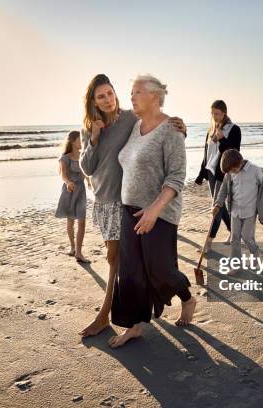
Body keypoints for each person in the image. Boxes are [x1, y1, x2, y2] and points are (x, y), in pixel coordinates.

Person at [78, 74, 187, 337]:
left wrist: (181, 126)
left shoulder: (130, 118)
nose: (108, 100)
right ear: (93, 101)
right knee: (122, 261)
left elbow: (156, 125)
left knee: (118, 261)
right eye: (100, 96)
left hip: (125, 202)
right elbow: (87, 168)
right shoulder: (89, 128)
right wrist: (93, 138)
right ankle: (135, 316)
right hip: (104, 202)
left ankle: (106, 316)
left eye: (110, 93)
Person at [109, 75, 195, 348]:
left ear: (154, 96)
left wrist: (154, 211)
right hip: (128, 209)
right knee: (131, 270)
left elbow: (177, 177)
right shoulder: (134, 127)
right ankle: (133, 327)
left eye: (136, 92)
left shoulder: (170, 129)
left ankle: (188, 298)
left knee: (161, 269)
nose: (131, 97)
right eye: (131, 92)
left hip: (159, 212)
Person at [212, 149, 263, 274]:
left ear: (240, 162)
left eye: (234, 169)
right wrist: (218, 204)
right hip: (235, 211)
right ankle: (236, 265)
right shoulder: (230, 173)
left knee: (247, 236)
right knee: (234, 239)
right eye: (230, 171)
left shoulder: (255, 170)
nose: (232, 172)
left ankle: (255, 253)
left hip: (250, 211)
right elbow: (223, 189)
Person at [195, 100, 241, 252]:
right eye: (212, 113)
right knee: (220, 207)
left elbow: (234, 154)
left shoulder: (234, 129)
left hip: (223, 173)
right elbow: (207, 153)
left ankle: (208, 243)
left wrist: (222, 139)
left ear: (224, 113)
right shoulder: (211, 130)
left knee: (216, 206)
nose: (214, 117)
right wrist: (201, 174)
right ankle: (234, 232)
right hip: (211, 172)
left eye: (217, 114)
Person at [55, 130, 90, 263]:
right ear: (73, 142)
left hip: (81, 191)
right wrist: (68, 182)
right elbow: (63, 175)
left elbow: (86, 174)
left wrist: (90, 184)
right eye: (80, 139)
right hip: (69, 192)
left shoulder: (83, 156)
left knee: (82, 221)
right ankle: (72, 247)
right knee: (70, 222)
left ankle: (79, 253)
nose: (82, 142)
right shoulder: (65, 158)